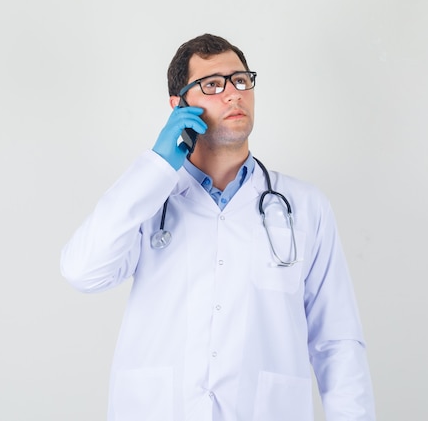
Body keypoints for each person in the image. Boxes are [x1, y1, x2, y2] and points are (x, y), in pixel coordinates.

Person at [60, 33, 375, 421]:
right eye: (212, 85)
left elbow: (337, 341)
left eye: (241, 80)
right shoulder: (148, 198)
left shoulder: (304, 206)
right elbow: (83, 271)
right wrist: (156, 166)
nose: (233, 94)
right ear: (178, 106)